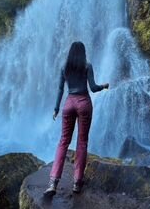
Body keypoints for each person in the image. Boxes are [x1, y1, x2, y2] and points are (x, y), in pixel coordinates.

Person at [44, 41, 109, 197]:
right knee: (82, 142)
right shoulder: (87, 65)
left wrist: (56, 108)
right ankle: (77, 182)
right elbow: (93, 88)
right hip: (83, 103)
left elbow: (60, 89)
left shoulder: (64, 67)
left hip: (69, 103)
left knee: (63, 141)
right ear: (83, 52)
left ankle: (53, 182)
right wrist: (104, 86)